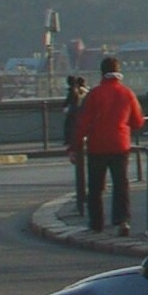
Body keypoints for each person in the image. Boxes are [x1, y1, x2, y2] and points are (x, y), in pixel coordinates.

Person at [70, 56, 145, 236]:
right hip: (120, 144)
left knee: (95, 187)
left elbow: (83, 123)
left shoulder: (94, 94)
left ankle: (96, 223)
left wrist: (75, 147)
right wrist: (125, 127)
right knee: (121, 184)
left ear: (102, 72)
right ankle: (122, 220)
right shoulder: (127, 93)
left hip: (98, 146)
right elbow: (138, 121)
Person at [61, 75, 89, 214]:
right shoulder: (87, 93)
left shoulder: (74, 92)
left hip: (75, 123)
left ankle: (83, 205)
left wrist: (72, 145)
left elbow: (69, 105)